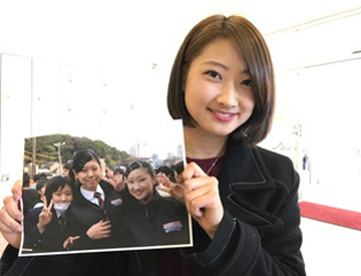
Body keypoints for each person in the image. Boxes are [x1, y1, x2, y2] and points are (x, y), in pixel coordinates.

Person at [0, 14, 305, 276]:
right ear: (185, 76)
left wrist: (221, 228)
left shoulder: (277, 176)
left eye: (247, 82)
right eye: (214, 74)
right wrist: (27, 245)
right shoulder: (131, 166)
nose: (228, 98)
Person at [120, 160, 189, 247]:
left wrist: (186, 201)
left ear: (153, 179)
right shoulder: (127, 215)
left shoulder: (175, 206)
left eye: (142, 180)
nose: (136, 187)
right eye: (131, 182)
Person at [65, 149, 123, 250]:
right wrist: (88, 237)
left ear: (101, 169)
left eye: (94, 169)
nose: (91, 174)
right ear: (76, 174)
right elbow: (69, 245)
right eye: (84, 171)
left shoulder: (114, 191)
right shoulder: (72, 206)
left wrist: (123, 191)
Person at [22, 176, 75, 253]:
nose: (63, 199)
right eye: (58, 194)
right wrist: (41, 226)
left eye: (68, 194)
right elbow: (27, 243)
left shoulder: (78, 215)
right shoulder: (35, 214)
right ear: (50, 196)